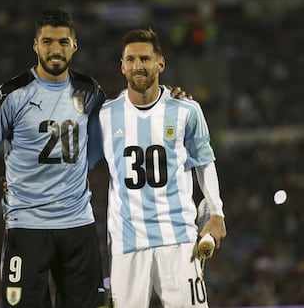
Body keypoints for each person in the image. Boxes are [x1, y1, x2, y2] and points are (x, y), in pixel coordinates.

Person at [0, 9, 107, 308]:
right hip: (26, 225)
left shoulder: (90, 92)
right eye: (48, 41)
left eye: (63, 42)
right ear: (35, 45)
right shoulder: (12, 93)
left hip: (77, 225)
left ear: (74, 45)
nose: (55, 49)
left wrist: (171, 97)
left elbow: (107, 141)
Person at [95, 29, 227, 307]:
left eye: (145, 58)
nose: (137, 66)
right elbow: (78, 162)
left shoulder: (186, 109)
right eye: (130, 59)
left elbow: (204, 161)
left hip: (178, 239)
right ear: (122, 65)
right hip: (127, 244)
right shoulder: (106, 115)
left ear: (160, 63)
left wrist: (216, 210)